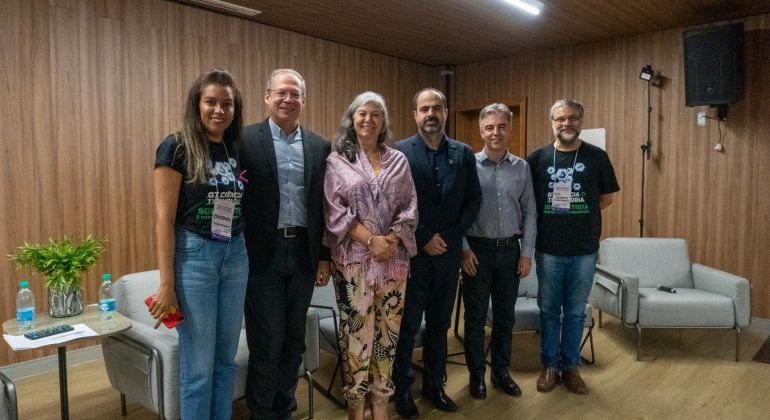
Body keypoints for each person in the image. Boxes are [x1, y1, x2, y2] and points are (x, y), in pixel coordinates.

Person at [151, 68, 248, 419]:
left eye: (227, 103)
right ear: (197, 104)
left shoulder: (232, 147)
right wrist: (166, 284)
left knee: (226, 361)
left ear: (235, 110)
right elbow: (164, 219)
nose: (218, 110)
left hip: (235, 254)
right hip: (195, 257)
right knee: (199, 367)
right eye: (211, 102)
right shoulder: (175, 146)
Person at [240, 68, 332, 419]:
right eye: (281, 92)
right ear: (267, 97)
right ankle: (261, 413)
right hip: (262, 254)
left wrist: (324, 257)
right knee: (267, 341)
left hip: (304, 254)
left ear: (303, 101)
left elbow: (324, 206)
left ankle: (286, 409)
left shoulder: (319, 145)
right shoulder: (245, 140)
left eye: (294, 94)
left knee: (295, 340)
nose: (287, 99)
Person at [323, 91, 418, 420]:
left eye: (375, 114)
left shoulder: (399, 160)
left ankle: (381, 409)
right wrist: (371, 240)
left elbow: (409, 207)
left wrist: (389, 239)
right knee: (355, 337)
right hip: (353, 264)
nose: (368, 119)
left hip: (394, 262)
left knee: (387, 337)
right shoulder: (337, 161)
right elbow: (334, 210)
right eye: (362, 113)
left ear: (384, 121)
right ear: (351, 119)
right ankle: (356, 411)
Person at [392, 88, 482, 417]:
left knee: (440, 325)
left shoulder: (464, 152)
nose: (431, 114)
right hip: (412, 255)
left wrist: (450, 236)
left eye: (437, 108)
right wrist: (424, 236)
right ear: (415, 114)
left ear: (446, 112)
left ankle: (433, 386)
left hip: (446, 255)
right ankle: (402, 390)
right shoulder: (399, 152)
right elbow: (395, 203)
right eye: (424, 109)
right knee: (407, 325)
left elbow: (473, 200)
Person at [526, 98, 619, 395]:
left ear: (581, 121)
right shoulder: (537, 158)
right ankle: (550, 366)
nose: (567, 123)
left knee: (576, 312)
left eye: (573, 118)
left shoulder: (597, 157)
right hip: (548, 248)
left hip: (584, 249)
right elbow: (528, 203)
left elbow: (606, 199)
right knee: (550, 310)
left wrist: (580, 215)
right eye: (561, 118)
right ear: (552, 122)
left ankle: (571, 367)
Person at [461, 103, 536, 400]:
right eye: (489, 127)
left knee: (505, 317)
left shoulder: (522, 167)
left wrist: (526, 252)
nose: (496, 132)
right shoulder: (468, 166)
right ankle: (476, 374)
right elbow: (457, 213)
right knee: (476, 319)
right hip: (476, 252)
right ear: (481, 131)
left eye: (501, 126)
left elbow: (530, 212)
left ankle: (501, 371)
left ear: (509, 129)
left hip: (510, 252)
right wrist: (463, 249)